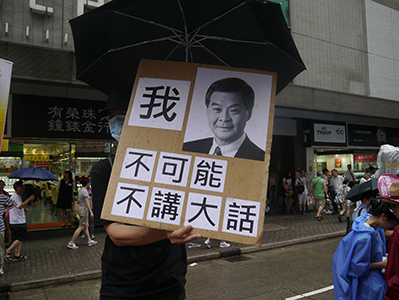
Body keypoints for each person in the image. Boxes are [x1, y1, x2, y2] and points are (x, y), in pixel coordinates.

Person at [91, 87, 202, 299]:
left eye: (123, 115)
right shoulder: (104, 170)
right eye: (111, 117)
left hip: (171, 280)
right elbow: (116, 234)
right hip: (124, 285)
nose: (116, 122)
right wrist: (167, 233)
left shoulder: (171, 164)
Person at [182, 77, 265, 161]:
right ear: (207, 111)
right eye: (217, 109)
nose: (224, 118)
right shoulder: (186, 149)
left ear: (248, 114)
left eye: (233, 110)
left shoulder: (260, 158)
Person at [332, 199, 399, 299]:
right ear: (383, 216)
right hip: (366, 282)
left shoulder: (366, 221)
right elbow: (357, 266)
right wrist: (382, 264)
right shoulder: (365, 238)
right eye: (391, 224)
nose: (390, 227)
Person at [4, 181, 35, 262]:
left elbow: (17, 207)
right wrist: (30, 199)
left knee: (19, 238)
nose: (23, 188)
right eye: (21, 187)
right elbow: (20, 206)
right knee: (21, 237)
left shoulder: (18, 196)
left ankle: (17, 254)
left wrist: (24, 210)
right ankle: (8, 251)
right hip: (17, 221)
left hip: (19, 220)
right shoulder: (15, 196)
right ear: (17, 188)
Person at [67, 178, 97, 250]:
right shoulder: (85, 191)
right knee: (81, 226)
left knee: (86, 226)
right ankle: (71, 242)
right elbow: (87, 203)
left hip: (81, 209)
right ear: (87, 183)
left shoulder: (81, 190)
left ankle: (89, 241)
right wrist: (91, 211)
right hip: (84, 210)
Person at [0, 190, 16, 274]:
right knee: (0, 248)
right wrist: (5, 210)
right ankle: (1, 267)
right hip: (0, 228)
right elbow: (14, 203)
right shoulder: (2, 197)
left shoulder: (3, 197)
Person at [0, 180, 12, 248]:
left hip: (5, 212)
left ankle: (9, 240)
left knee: (7, 226)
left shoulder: (5, 193)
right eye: (0, 185)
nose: (1, 186)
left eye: (2, 184)